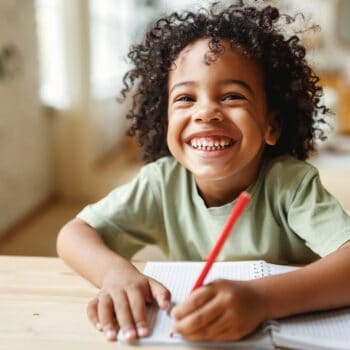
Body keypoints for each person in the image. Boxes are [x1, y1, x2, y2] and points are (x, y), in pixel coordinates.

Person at [57, 1, 350, 344]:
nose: (206, 112)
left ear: (272, 124)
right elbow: (73, 234)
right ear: (165, 122)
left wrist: (261, 300)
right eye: (185, 99)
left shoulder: (290, 184)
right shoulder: (161, 183)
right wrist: (116, 274)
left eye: (232, 96)